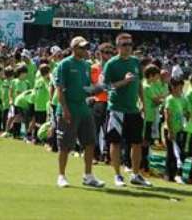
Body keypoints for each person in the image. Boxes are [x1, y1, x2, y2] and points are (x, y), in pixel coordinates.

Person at [54, 36, 104, 189]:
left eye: (85, 47)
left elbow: (87, 88)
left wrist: (102, 87)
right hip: (69, 109)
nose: (84, 50)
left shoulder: (85, 65)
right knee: (65, 145)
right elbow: (60, 89)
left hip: (83, 108)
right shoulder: (65, 64)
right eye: (81, 47)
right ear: (74, 48)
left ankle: (88, 175)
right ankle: (61, 175)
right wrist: (65, 109)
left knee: (90, 142)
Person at [102, 33, 149, 187]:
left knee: (136, 143)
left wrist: (143, 102)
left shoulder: (136, 62)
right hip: (117, 109)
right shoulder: (111, 64)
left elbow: (139, 84)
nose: (128, 47)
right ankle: (117, 175)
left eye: (130, 44)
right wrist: (125, 81)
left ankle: (136, 174)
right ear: (118, 47)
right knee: (115, 143)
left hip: (133, 110)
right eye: (124, 44)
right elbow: (106, 86)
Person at [164, 78, 186, 184]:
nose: (181, 89)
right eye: (179, 87)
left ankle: (177, 173)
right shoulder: (170, 99)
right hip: (171, 129)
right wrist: (170, 131)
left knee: (179, 152)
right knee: (171, 153)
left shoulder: (182, 99)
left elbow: (186, 111)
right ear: (173, 88)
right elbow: (167, 116)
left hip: (180, 129)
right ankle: (169, 174)